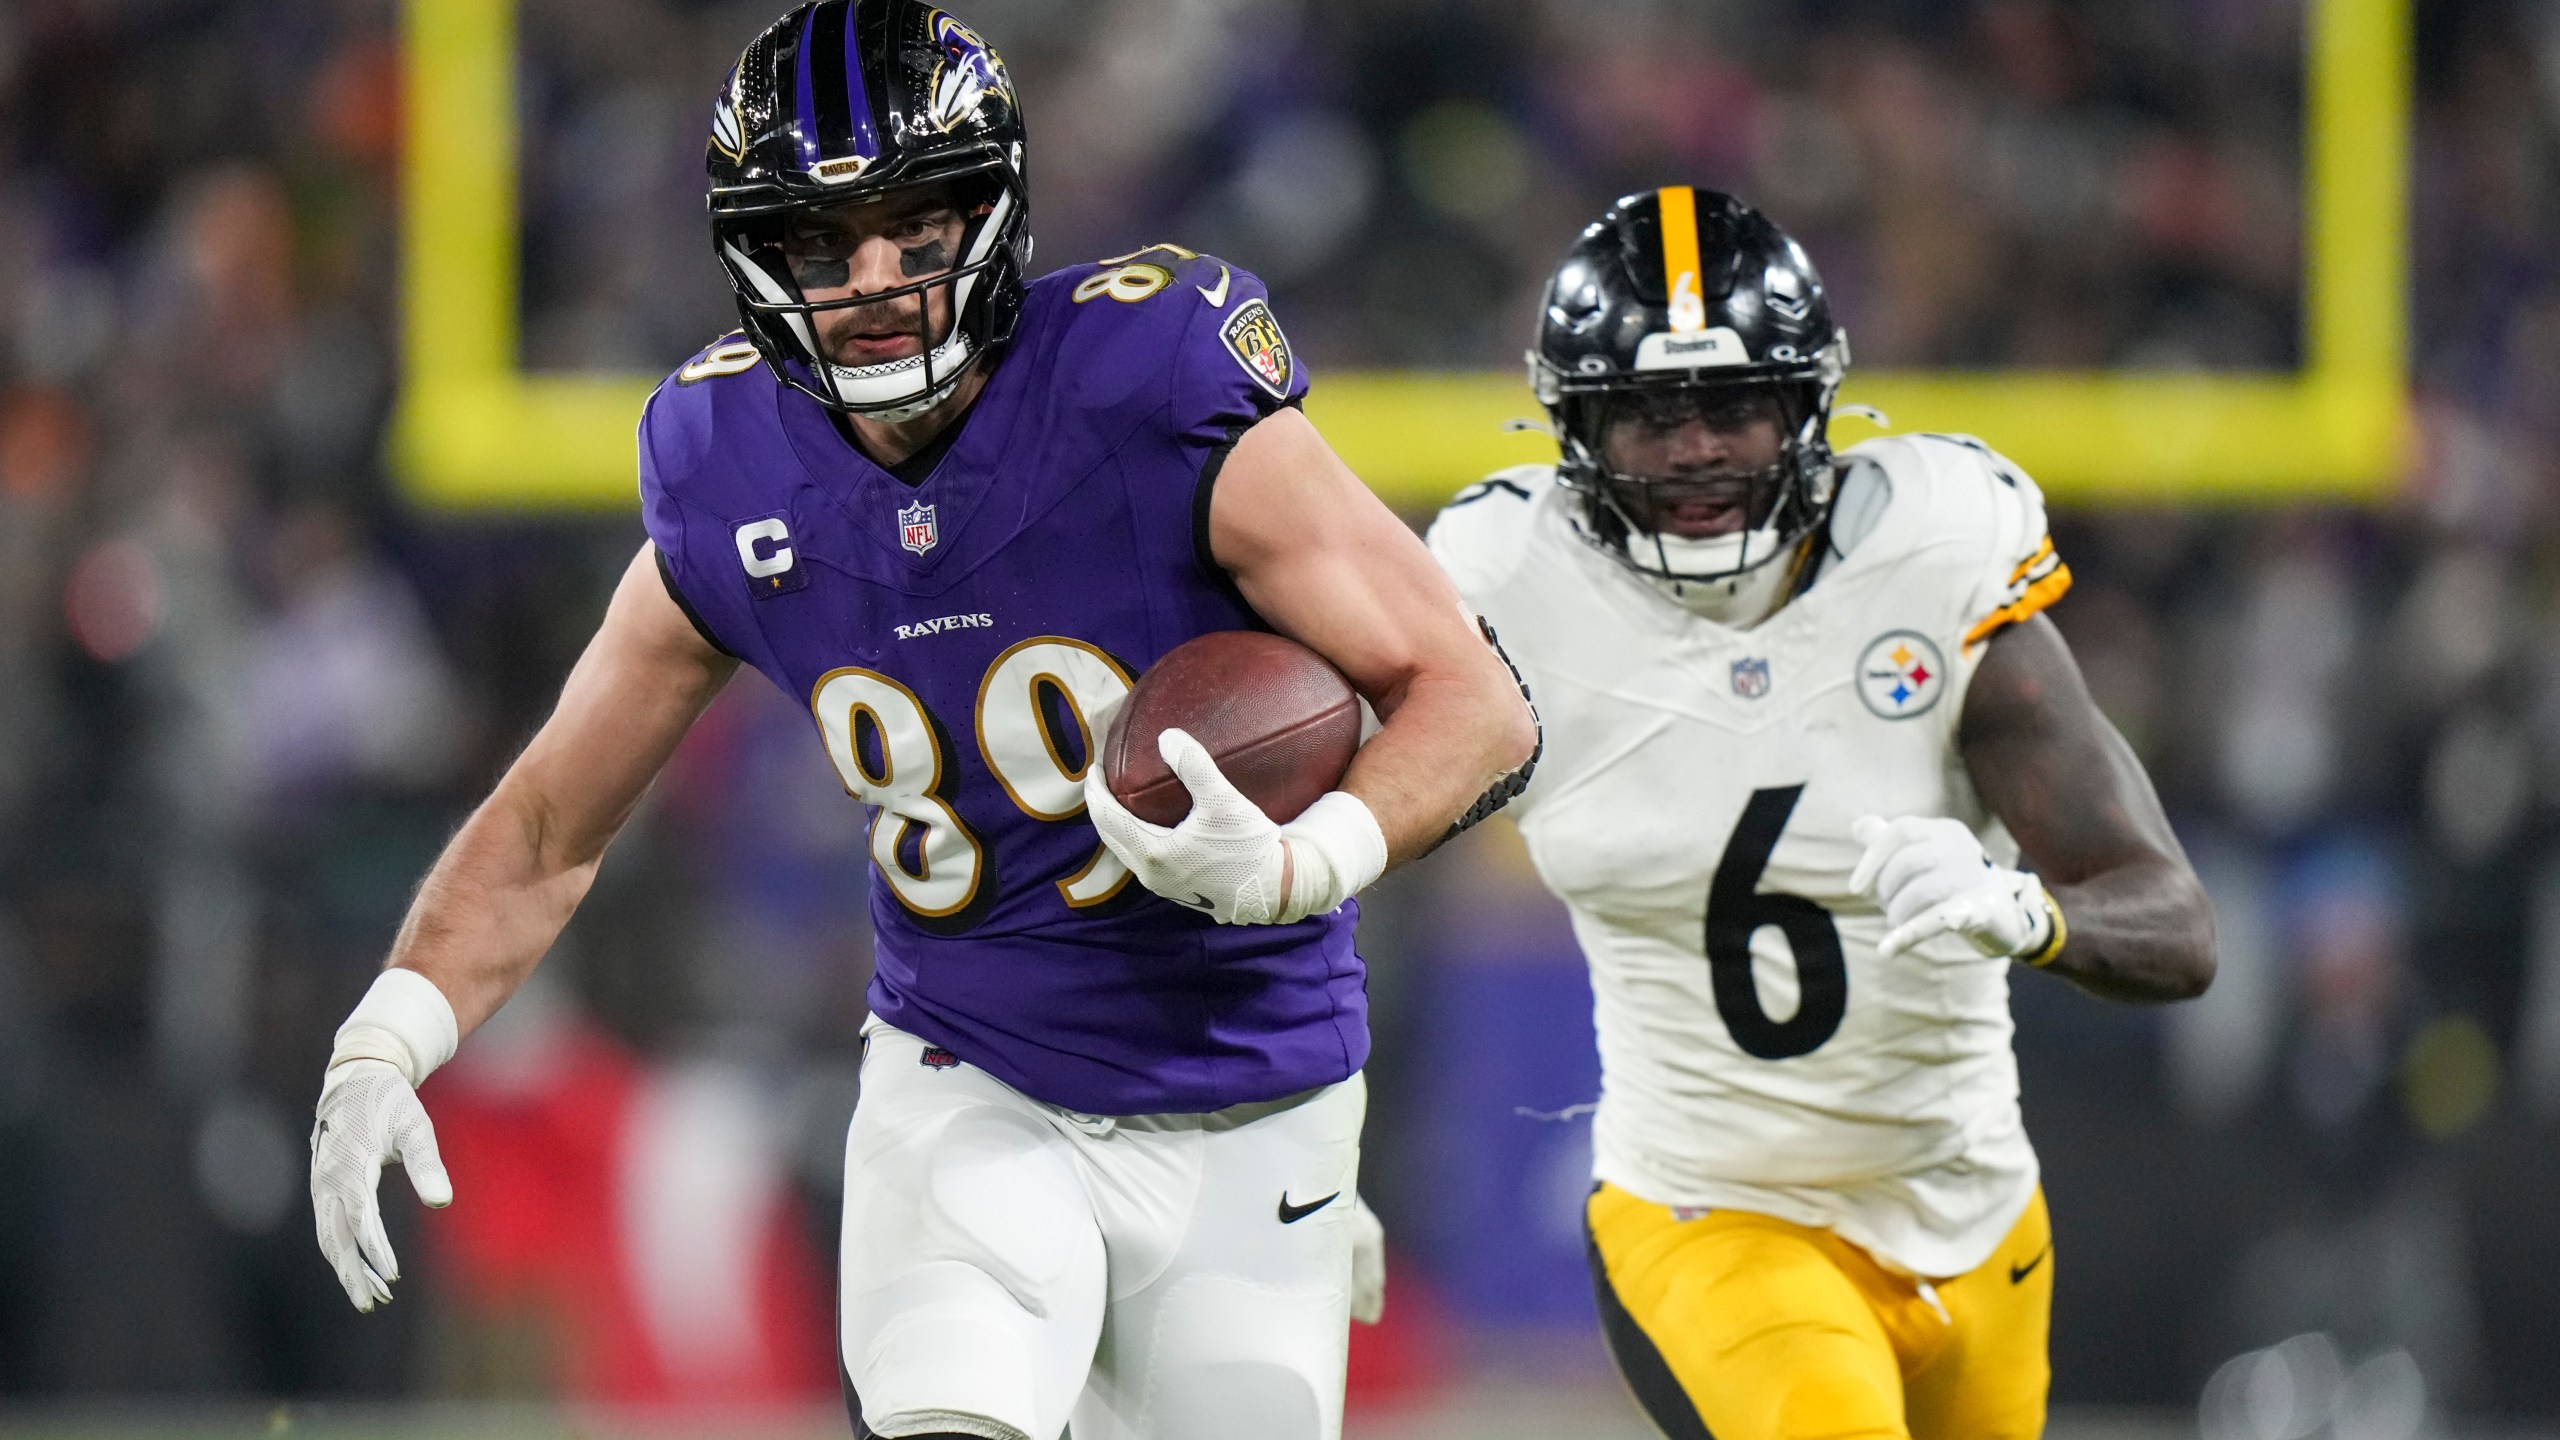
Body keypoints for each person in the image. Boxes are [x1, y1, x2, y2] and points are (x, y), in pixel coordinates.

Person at [305, 4, 1536, 1438]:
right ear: (756, 260)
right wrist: (393, 1029)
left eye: (918, 229)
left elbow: (1476, 703)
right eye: (824, 244)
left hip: (1255, 1083)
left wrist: (1301, 861)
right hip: (973, 1076)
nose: (877, 281)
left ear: (997, 219)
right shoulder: (727, 467)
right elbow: (543, 822)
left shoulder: (1151, 384)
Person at [1424, 187, 2216, 1440]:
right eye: (1650, 417)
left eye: (1733, 406)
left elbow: (2173, 927)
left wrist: (2025, 912)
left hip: (1973, 1210)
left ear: (1807, 407)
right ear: (1577, 430)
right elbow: (1332, 847)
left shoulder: (1935, 554)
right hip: (1711, 1208)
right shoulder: (1510, 587)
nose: (1695, 451)